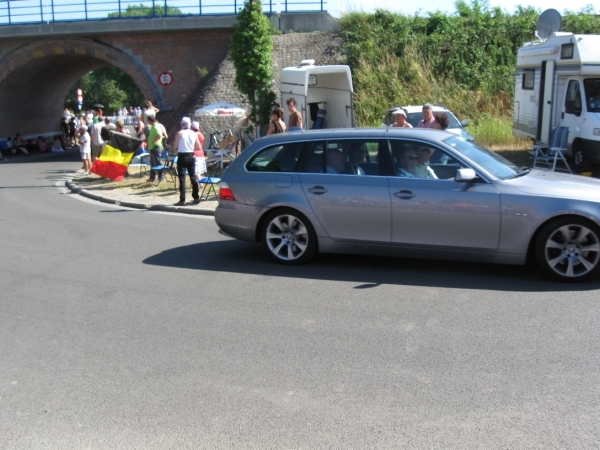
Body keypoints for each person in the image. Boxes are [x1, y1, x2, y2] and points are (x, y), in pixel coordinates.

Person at [172, 117, 201, 206]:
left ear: (181, 124)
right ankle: (196, 196)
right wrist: (192, 147)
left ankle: (182, 199)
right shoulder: (193, 133)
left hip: (182, 155)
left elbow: (174, 146)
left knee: (182, 178)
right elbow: (199, 147)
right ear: (189, 125)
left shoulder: (179, 133)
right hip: (191, 155)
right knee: (193, 176)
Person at [146, 115, 164, 183]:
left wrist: (154, 141)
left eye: (148, 121)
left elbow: (159, 135)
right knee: (153, 163)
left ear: (150, 121)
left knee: (158, 162)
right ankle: (152, 177)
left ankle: (161, 176)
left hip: (156, 147)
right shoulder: (153, 127)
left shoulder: (156, 127)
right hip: (153, 147)